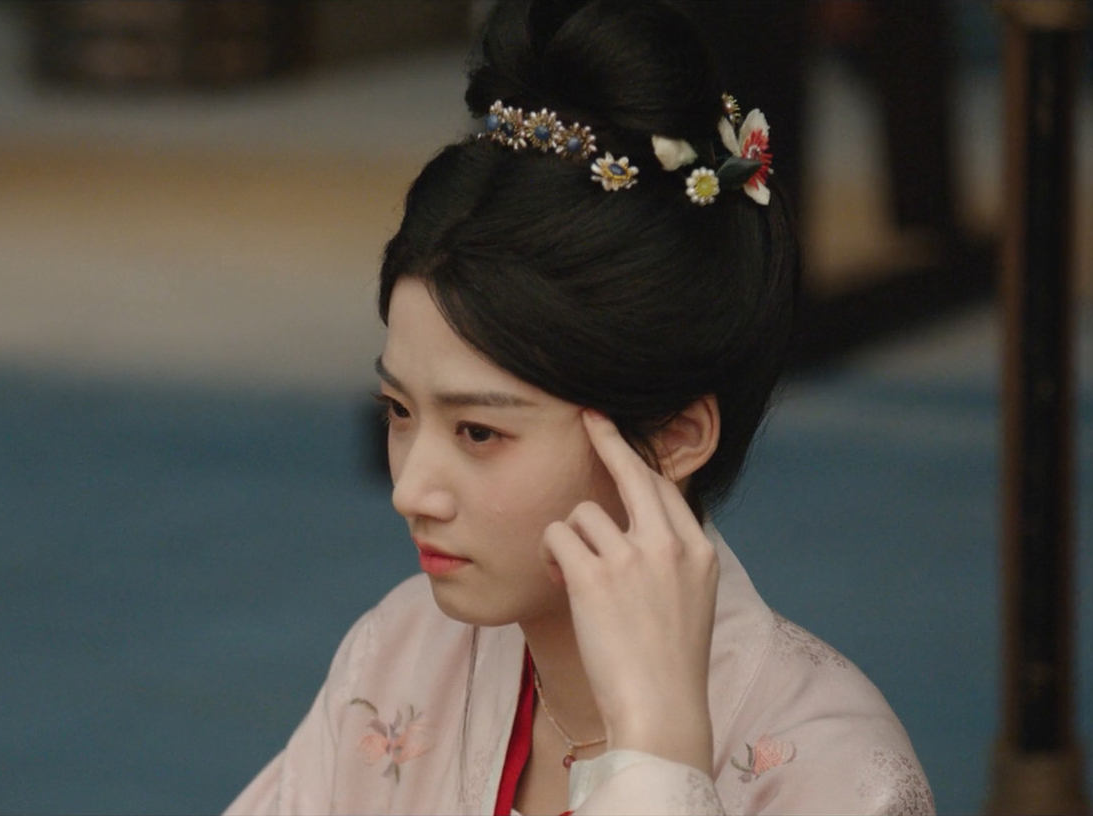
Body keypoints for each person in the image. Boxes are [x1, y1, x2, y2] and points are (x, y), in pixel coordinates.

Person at [226, 0, 932, 812]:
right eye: (397, 411)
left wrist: (659, 751)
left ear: (673, 436)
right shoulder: (400, 654)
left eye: (478, 431)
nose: (410, 491)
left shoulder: (830, 770)